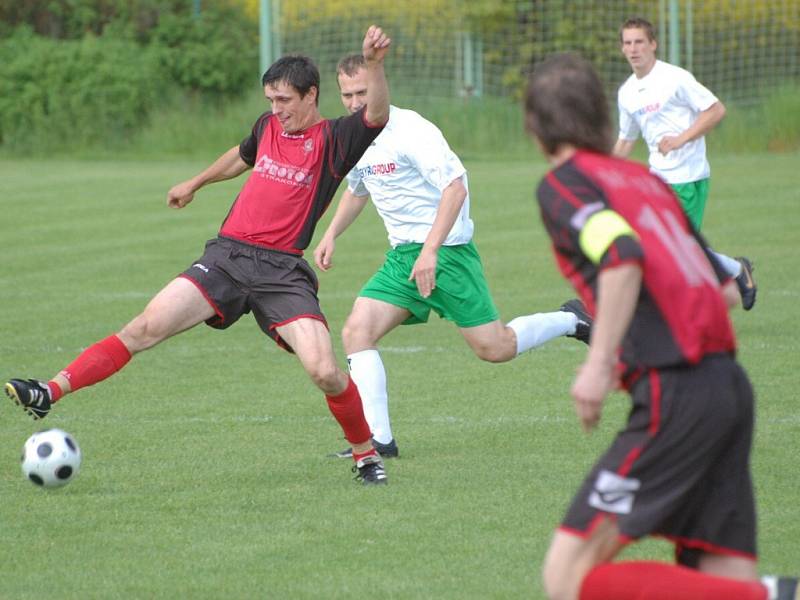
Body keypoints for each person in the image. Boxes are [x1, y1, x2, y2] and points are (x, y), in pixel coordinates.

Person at [5, 26, 394, 486]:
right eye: (270, 100)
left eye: (284, 100)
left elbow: (377, 113)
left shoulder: (335, 139)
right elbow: (241, 156)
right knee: (143, 327)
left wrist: (373, 64)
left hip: (281, 270)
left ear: (311, 96)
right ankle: (50, 390)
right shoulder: (268, 126)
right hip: (227, 257)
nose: (276, 110)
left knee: (325, 370)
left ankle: (366, 454)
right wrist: (195, 183)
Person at [524, 52, 797, 600]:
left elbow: (620, 253)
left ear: (535, 126)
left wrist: (599, 365)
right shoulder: (646, 181)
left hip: (676, 394)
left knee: (568, 577)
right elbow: (721, 285)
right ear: (602, 116)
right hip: (727, 387)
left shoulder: (567, 185)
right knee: (718, 583)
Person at [313, 53, 592, 459]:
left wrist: (430, 251)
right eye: (347, 94)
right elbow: (358, 189)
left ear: (380, 85)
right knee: (358, 332)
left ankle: (573, 319)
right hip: (402, 259)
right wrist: (331, 234)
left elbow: (455, 187)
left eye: (363, 92)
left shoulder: (412, 130)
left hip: (447, 254)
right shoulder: (357, 136)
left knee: (495, 348)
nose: (356, 102)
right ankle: (378, 442)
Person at [613, 16, 757, 310]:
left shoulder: (674, 78)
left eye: (639, 41)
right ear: (622, 48)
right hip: (658, 179)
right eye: (627, 43)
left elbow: (715, 110)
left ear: (653, 44)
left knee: (677, 250)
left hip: (688, 177)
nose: (633, 49)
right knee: (667, 246)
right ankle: (734, 271)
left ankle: (721, 282)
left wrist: (680, 139)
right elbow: (627, 139)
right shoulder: (626, 92)